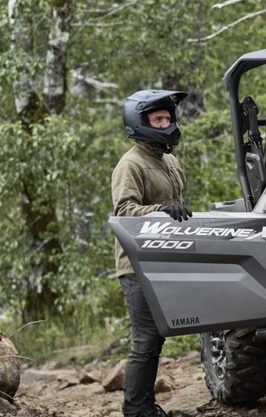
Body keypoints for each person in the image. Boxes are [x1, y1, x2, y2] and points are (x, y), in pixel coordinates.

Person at [112, 89, 193, 416]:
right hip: (136, 264)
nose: (166, 123)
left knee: (158, 337)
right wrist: (160, 210)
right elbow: (123, 210)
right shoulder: (130, 164)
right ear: (139, 122)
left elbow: (178, 204)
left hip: (163, 257)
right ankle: (136, 410)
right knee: (145, 340)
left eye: (168, 117)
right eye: (158, 119)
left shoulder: (169, 160)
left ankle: (144, 406)